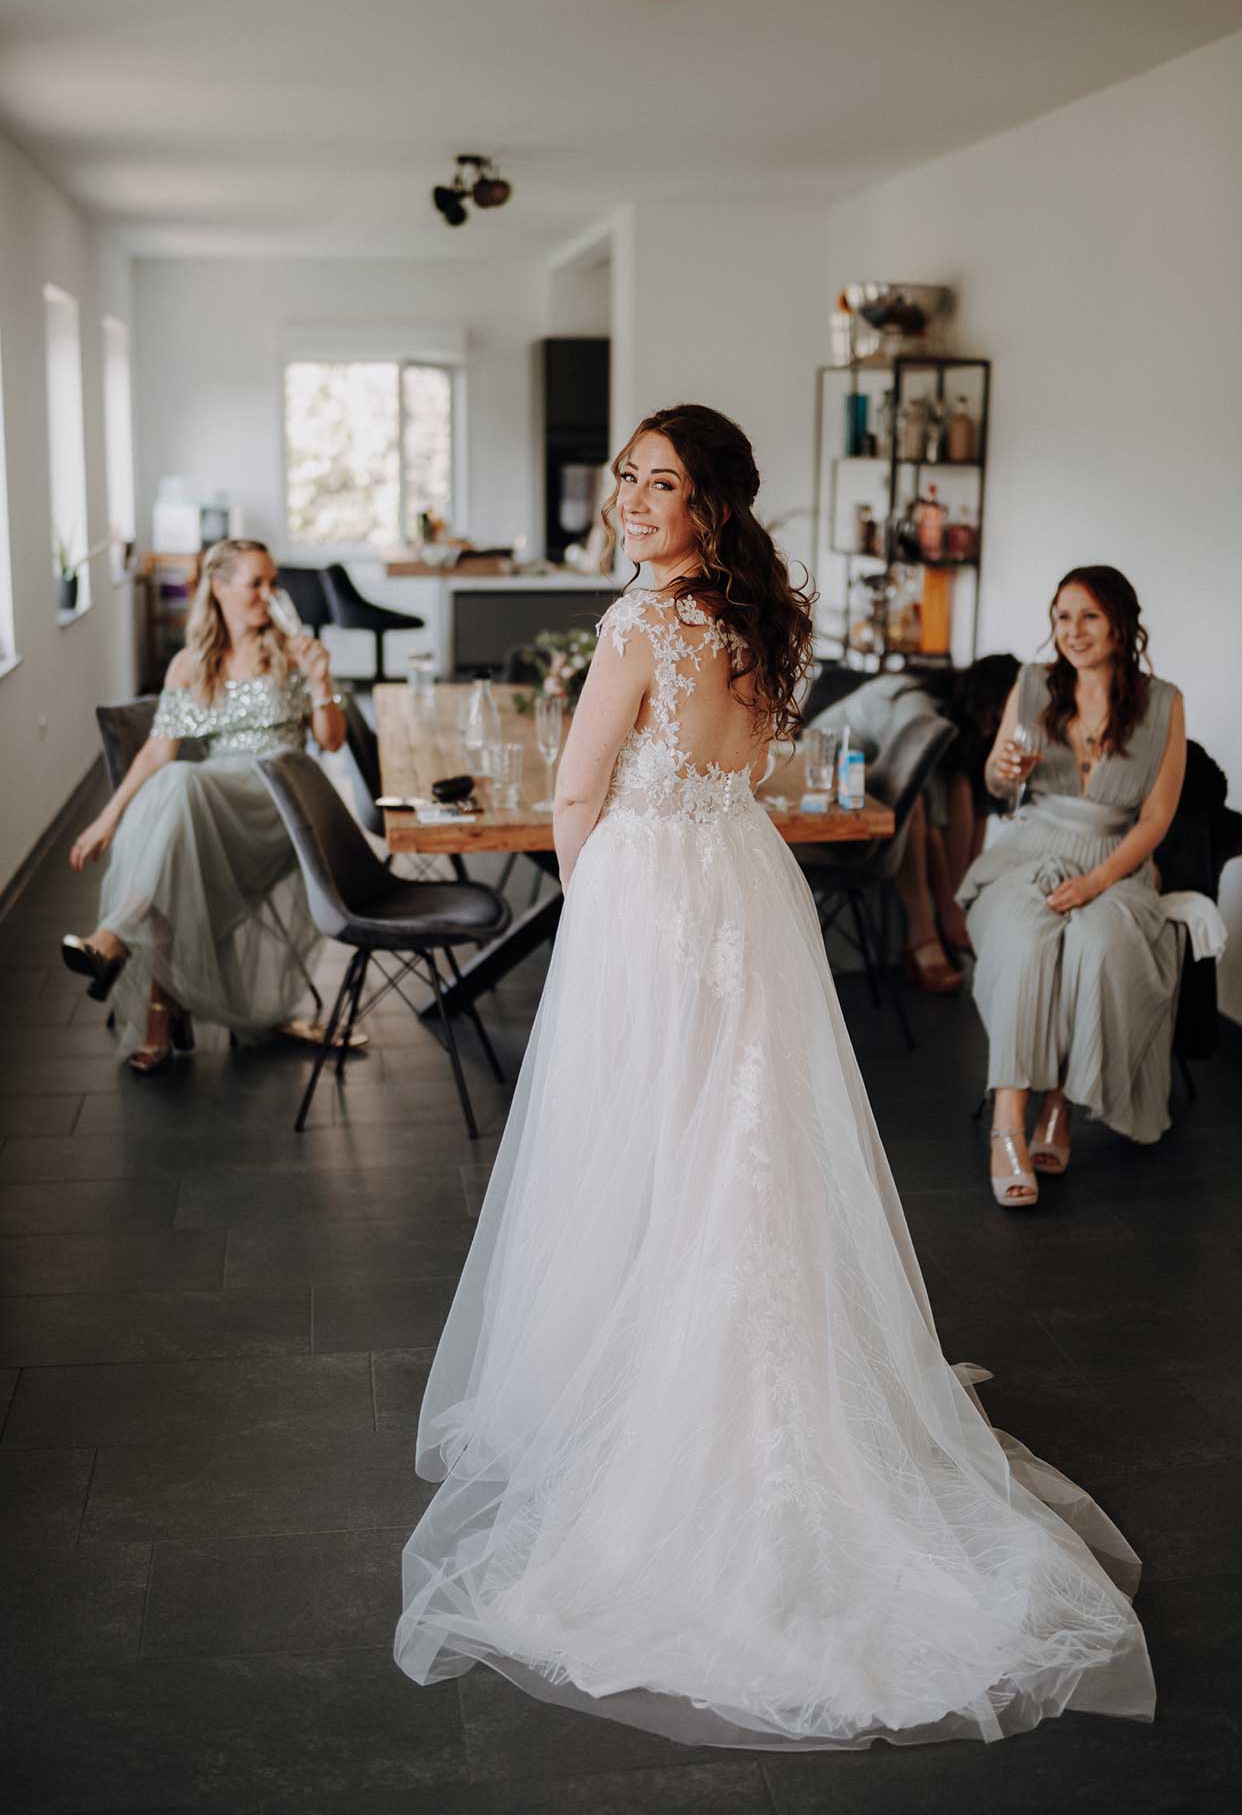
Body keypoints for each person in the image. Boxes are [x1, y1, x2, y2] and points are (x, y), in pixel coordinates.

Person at [394, 406, 1154, 1751]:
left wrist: (605, 923)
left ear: (713, 506)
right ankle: (781, 1385)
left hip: (655, 895)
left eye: (660, 485)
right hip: (746, 887)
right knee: (751, 1143)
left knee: (656, 1148)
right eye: (628, 480)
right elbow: (742, 768)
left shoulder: (638, 626)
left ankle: (668, 1420)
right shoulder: (761, 622)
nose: (633, 502)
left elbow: (578, 796)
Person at [61, 538, 346, 1071]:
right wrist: (106, 818)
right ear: (219, 589)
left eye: (272, 582)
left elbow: (331, 742)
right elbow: (156, 751)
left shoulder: (293, 651)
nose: (270, 594)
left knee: (182, 787)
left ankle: (117, 943)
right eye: (255, 583)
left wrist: (321, 680)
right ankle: (149, 1004)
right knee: (176, 812)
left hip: (279, 799)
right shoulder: (190, 665)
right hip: (215, 804)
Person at [958, 566, 1186, 1206]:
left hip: (1117, 856)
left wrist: (1097, 882)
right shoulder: (1032, 685)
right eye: (1062, 617)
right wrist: (1003, 772)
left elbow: (1157, 817)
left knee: (1099, 943)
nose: (1073, 631)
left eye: (1088, 616)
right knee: (1027, 942)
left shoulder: (1164, 702)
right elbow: (1000, 788)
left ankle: (1059, 1105)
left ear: (1122, 622)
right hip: (1033, 842)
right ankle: (1009, 1120)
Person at [811, 656, 1019, 991]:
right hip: (826, 764)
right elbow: (905, 783)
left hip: (871, 771)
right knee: (916, 806)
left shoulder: (947, 712)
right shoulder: (917, 708)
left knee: (964, 784)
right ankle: (929, 932)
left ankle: (958, 906)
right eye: (996, 714)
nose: (996, 726)